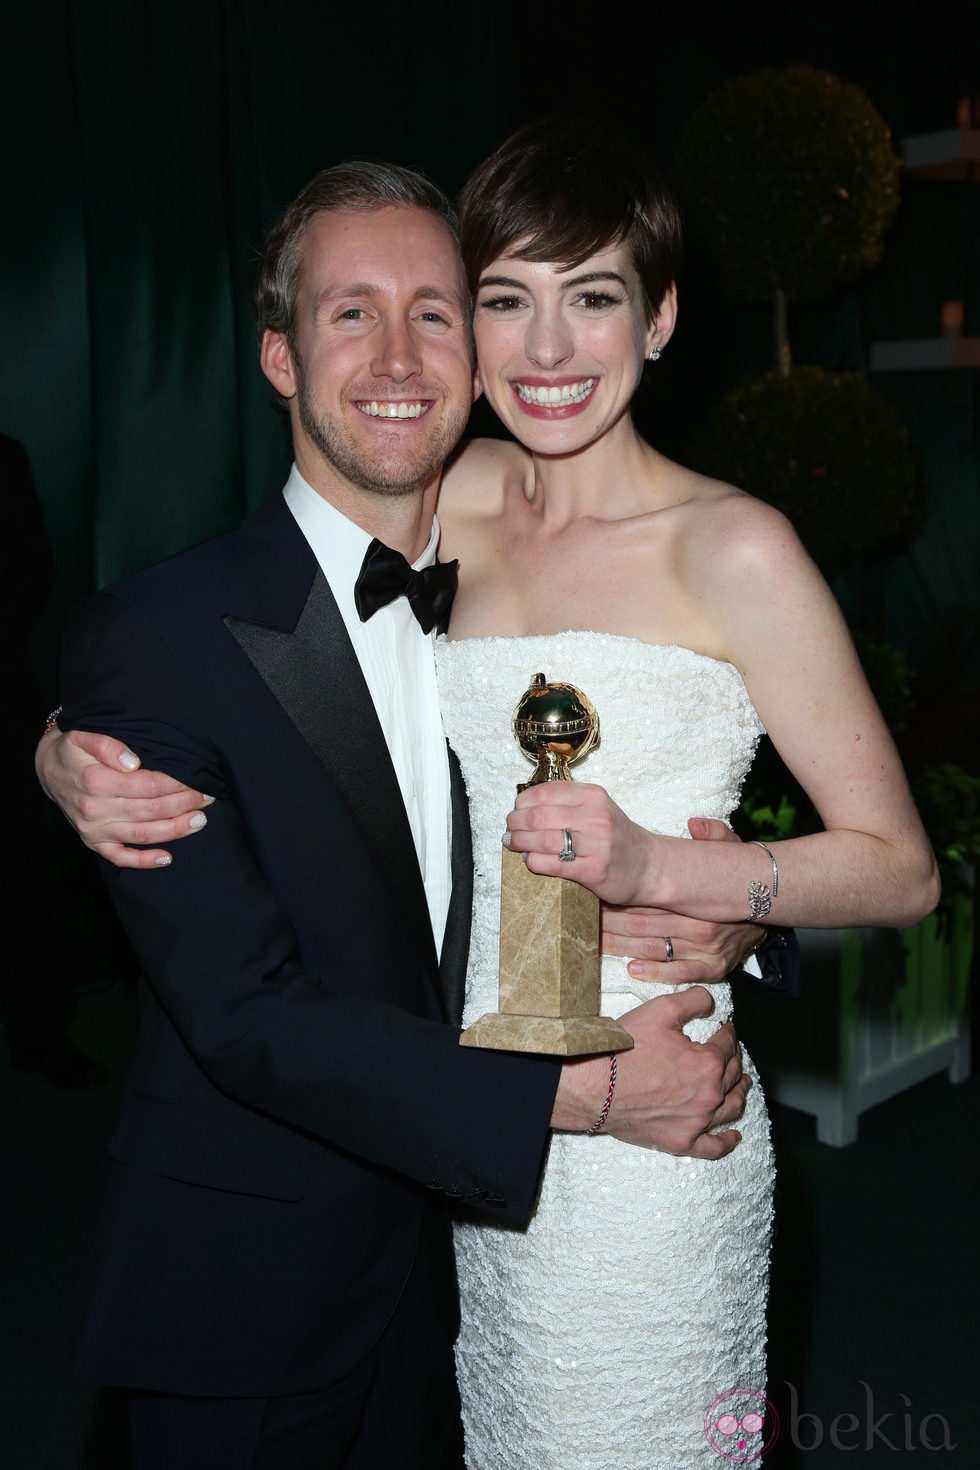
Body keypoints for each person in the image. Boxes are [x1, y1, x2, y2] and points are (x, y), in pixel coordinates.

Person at [35, 160, 775, 1470]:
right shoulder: (156, 639)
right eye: (348, 312)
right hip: (258, 1293)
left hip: (481, 1272)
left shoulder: (514, 581)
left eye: (435, 310)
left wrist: (702, 899)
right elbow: (251, 1018)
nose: (397, 352)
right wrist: (591, 1096)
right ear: (277, 355)